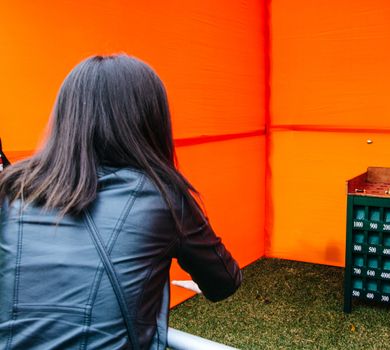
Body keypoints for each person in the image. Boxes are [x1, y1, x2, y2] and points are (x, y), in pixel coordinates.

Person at [0, 54, 242, 349]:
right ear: (150, 119)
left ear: (67, 115)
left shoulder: (11, 187)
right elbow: (224, 283)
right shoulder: (163, 195)